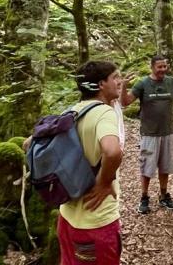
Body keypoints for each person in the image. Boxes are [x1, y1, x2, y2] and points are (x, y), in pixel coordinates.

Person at [57, 61, 124, 265]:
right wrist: (104, 182)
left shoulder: (70, 112)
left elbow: (28, 144)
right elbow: (112, 152)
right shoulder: (104, 113)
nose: (120, 82)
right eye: (115, 77)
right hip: (96, 222)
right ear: (101, 84)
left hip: (66, 218)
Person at [121, 55, 173, 214]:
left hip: (167, 131)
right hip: (149, 133)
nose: (162, 70)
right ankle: (144, 197)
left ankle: (164, 194)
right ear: (152, 67)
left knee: (165, 166)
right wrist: (124, 86)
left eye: (164, 66)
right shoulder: (143, 84)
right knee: (147, 167)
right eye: (159, 67)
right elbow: (125, 102)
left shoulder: (171, 82)